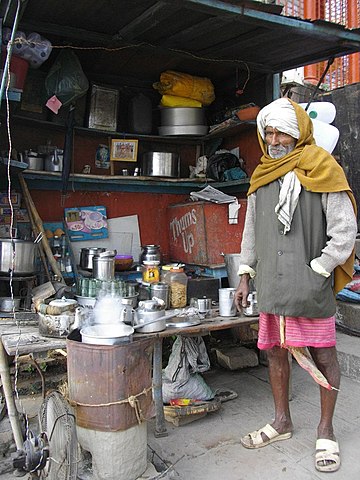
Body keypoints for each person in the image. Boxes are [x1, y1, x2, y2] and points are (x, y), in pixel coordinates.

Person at [234, 97, 357, 473]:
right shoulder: (262, 175)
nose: (274, 139)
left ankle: (326, 430)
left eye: (281, 132)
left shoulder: (322, 168)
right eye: (268, 132)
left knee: (324, 355)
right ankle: (282, 421)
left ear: (298, 132)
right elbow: (251, 231)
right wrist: (244, 274)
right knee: (274, 352)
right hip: (271, 284)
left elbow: (345, 231)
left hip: (310, 286)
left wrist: (319, 269)